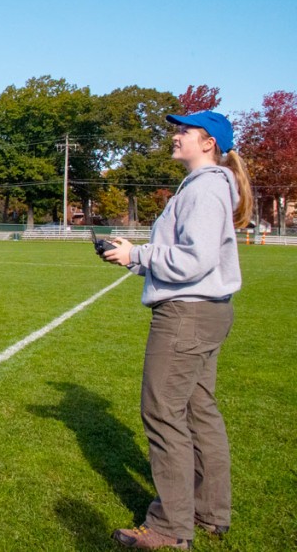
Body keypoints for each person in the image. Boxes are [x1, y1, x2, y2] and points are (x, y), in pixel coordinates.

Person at [103, 110, 253, 550]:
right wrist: (133, 259)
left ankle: (169, 528)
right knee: (198, 410)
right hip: (207, 312)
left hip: (186, 316)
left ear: (208, 143)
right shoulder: (208, 186)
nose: (175, 136)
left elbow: (194, 260)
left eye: (183, 131)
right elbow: (187, 258)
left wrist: (138, 255)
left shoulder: (206, 189)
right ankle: (209, 511)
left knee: (164, 413)